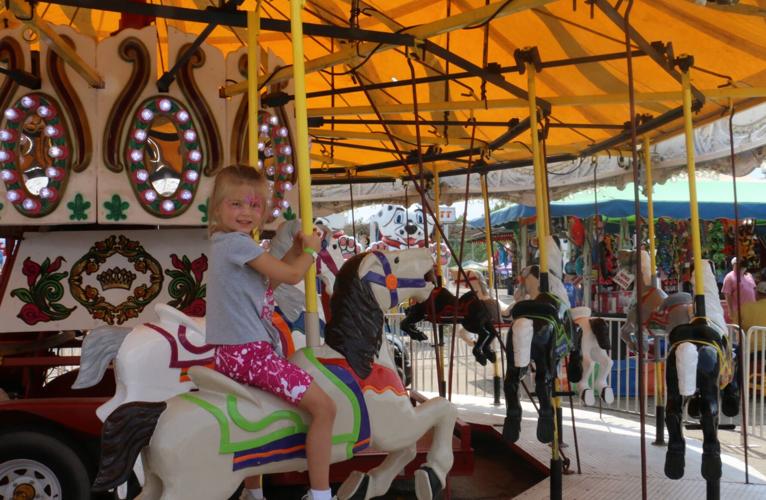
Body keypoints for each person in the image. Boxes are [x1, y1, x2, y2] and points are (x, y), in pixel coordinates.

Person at [207, 165, 336, 500]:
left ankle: (253, 491)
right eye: (236, 204)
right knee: (325, 408)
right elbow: (294, 277)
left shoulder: (229, 247)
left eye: (254, 205)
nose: (246, 212)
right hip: (249, 354)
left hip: (235, 353)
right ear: (217, 208)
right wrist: (311, 250)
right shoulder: (236, 245)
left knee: (262, 416)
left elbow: (272, 281)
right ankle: (321, 495)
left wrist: (295, 250)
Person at [722, 257, 757, 322]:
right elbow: (727, 294)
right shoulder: (729, 277)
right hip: (739, 312)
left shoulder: (749, 275)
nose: (739, 267)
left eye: (742, 266)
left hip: (752, 310)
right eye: (736, 265)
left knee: (751, 330)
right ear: (733, 265)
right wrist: (730, 311)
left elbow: (754, 290)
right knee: (740, 331)